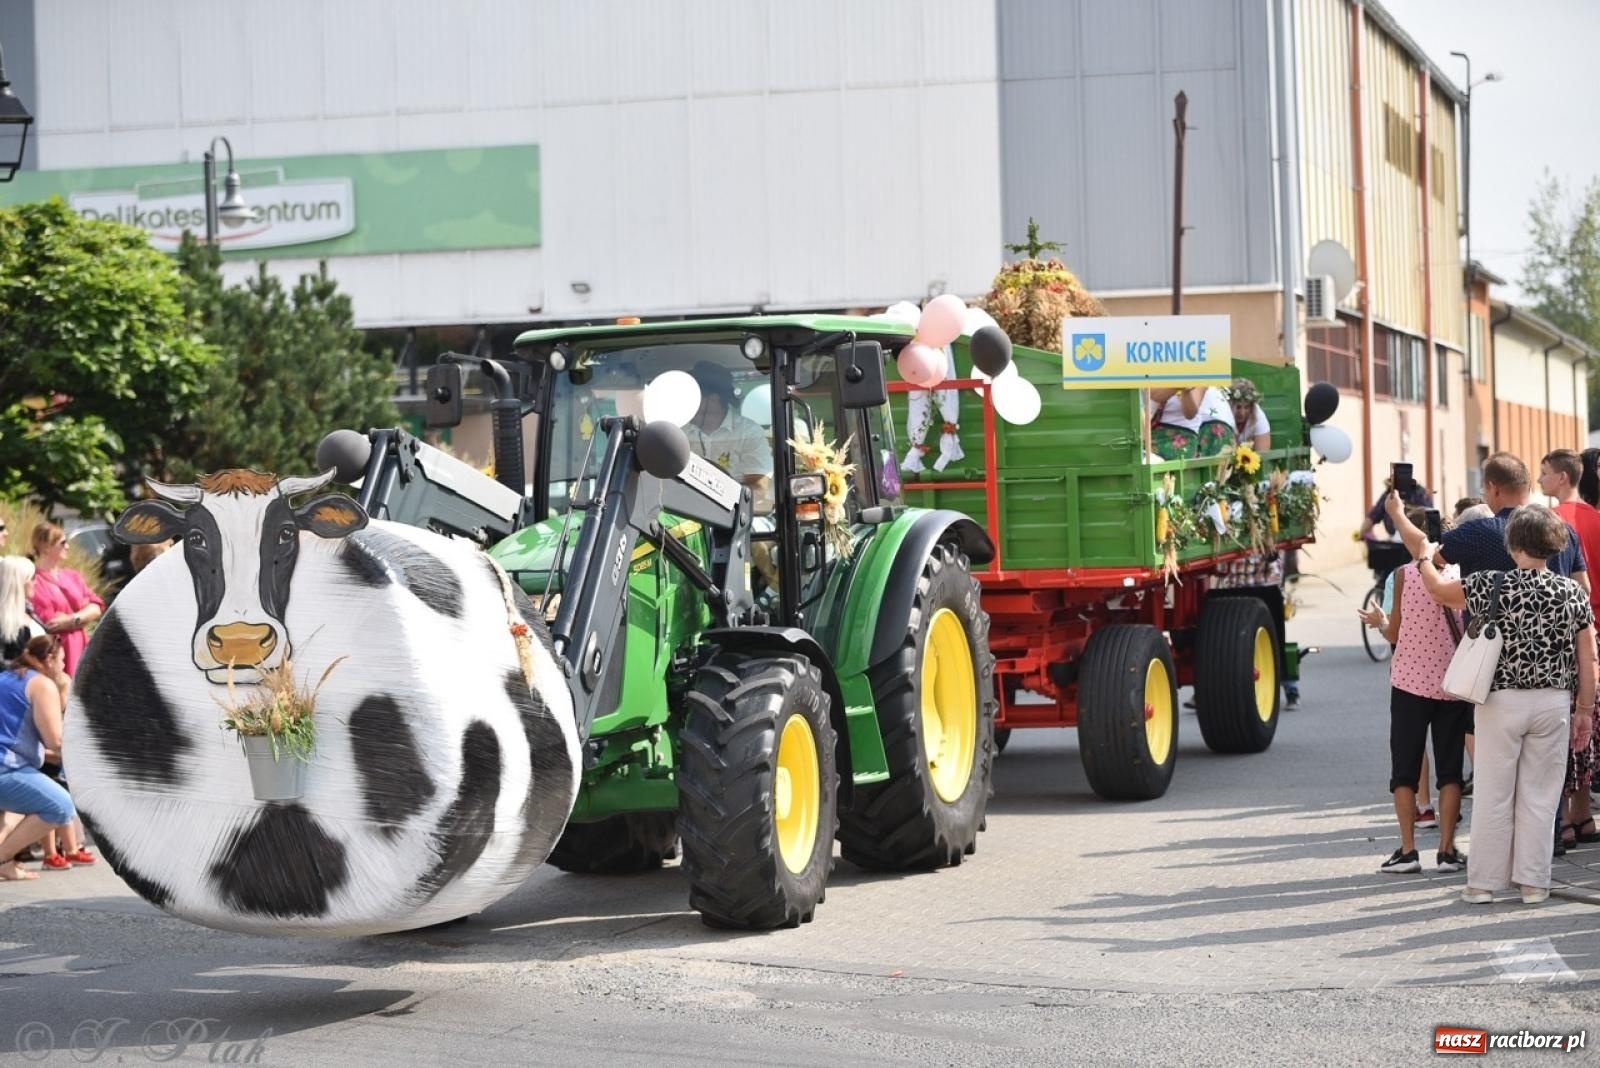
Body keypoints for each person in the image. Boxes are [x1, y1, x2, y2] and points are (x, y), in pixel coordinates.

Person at [1415, 505, 1595, 904]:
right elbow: (1589, 657)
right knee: (1540, 796)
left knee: (1495, 793)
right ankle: (1533, 883)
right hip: (1552, 703)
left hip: (1500, 703)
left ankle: (1483, 884)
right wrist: (1584, 709)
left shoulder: (1489, 584)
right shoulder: (1572, 593)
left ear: (1513, 546)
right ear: (1555, 545)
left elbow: (1437, 590)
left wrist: (1425, 557)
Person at [1359, 513, 1470, 875]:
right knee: (1450, 769)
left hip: (1408, 684)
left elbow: (1394, 635)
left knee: (1404, 768)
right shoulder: (1461, 576)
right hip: (1452, 686)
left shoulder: (1404, 577)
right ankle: (1447, 850)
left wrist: (1381, 623)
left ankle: (1408, 850)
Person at [1540, 449, 1600, 848]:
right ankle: (1583, 815)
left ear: (1562, 477)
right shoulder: (1597, 519)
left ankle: (1563, 819)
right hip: (1597, 631)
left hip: (1569, 634)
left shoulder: (1550, 523)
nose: (1540, 480)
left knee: (1565, 726)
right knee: (1589, 725)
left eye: (1544, 473)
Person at [0, 636, 77, 882]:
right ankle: (2, 861)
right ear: (50, 659)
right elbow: (56, 741)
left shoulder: (5, 678)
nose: (64, 667)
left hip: (8, 767)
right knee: (61, 806)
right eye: (63, 661)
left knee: (12, 816)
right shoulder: (41, 684)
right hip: (6, 769)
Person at [26, 522, 104, 676]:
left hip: (82, 646)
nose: (68, 546)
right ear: (46, 546)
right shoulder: (33, 580)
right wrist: (84, 613)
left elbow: (97, 606)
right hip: (58, 652)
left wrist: (73, 619)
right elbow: (51, 623)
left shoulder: (72, 576)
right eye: (62, 542)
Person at [686, 362, 772, 495]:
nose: (686, 401)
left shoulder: (748, 432)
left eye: (694, 394)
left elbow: (759, 487)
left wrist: (718, 495)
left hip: (736, 514)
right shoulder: (677, 433)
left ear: (714, 398)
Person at [1149, 386, 1233, 460]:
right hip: (1153, 435)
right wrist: (1177, 384)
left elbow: (1190, 413)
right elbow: (1153, 395)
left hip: (1182, 437)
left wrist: (1186, 390)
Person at [0, 557, 46, 661]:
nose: (36, 582)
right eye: (32, 578)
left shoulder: (28, 612)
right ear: (20, 581)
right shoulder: (5, 623)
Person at [1226, 378, 1271, 451]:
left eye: (1246, 407)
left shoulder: (1259, 417)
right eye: (1238, 407)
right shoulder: (1224, 415)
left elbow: (1263, 452)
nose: (1242, 413)